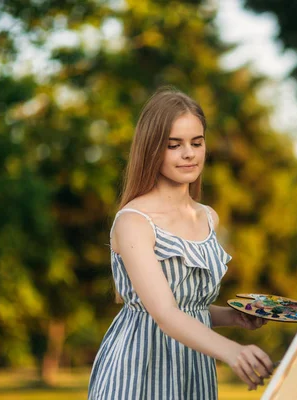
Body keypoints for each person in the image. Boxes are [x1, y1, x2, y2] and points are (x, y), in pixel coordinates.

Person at [88, 87, 274, 400]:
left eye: (196, 143)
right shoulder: (134, 221)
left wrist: (233, 317)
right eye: (174, 145)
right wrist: (233, 352)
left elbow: (189, 307)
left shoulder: (207, 218)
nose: (189, 153)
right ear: (151, 150)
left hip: (193, 369)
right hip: (140, 370)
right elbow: (164, 313)